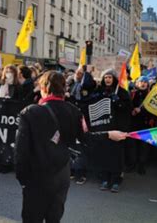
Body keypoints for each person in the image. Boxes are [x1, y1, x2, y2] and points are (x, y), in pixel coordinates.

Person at [15, 70, 126, 222]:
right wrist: (108, 134)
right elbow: (86, 139)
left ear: (44, 88)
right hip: (61, 173)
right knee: (54, 217)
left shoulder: (30, 112)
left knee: (32, 218)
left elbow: (21, 151)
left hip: (36, 176)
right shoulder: (74, 111)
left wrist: (22, 179)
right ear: (64, 89)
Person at [91, 69, 132, 193]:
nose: (107, 79)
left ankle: (116, 180)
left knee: (116, 156)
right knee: (104, 154)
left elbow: (127, 109)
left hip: (117, 129)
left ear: (114, 79)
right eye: (105, 77)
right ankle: (104, 178)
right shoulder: (99, 92)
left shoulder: (122, 92)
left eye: (110, 77)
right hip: (103, 129)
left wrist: (117, 100)